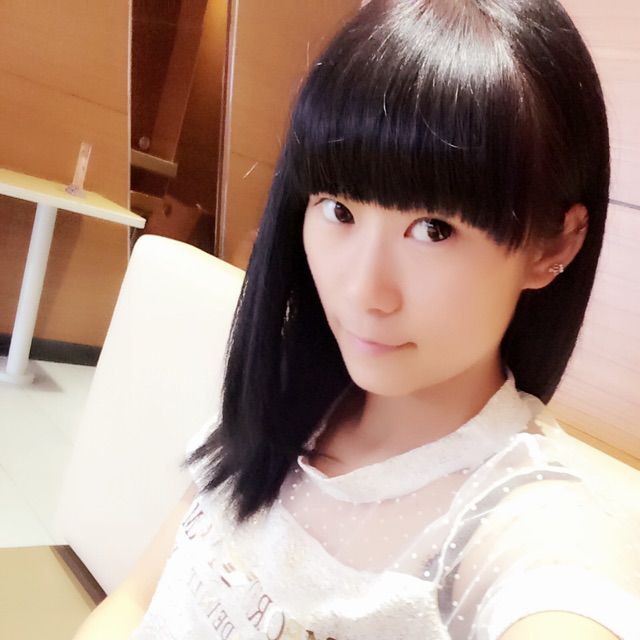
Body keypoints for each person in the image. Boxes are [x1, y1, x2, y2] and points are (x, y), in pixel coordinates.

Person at [73, 0, 640, 638]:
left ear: (552, 245)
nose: (364, 291)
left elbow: (561, 591)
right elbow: (135, 602)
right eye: (339, 210)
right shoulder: (287, 393)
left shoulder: (517, 523)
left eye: (434, 229)